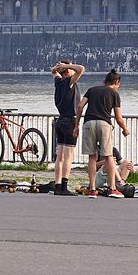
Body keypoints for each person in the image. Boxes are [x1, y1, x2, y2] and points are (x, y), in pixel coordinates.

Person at [81, 69, 127, 198]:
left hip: (88, 123)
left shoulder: (92, 90)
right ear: (117, 82)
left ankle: (92, 189)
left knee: (91, 157)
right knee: (108, 157)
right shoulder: (114, 94)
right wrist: (125, 129)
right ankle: (112, 188)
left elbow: (80, 106)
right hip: (104, 124)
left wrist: (76, 125)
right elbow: (118, 117)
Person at [49, 59, 85, 195]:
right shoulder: (68, 82)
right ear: (67, 71)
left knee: (60, 157)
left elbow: (53, 72)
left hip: (60, 121)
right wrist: (65, 66)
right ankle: (64, 186)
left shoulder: (58, 82)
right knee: (68, 156)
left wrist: (57, 68)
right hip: (70, 121)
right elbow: (81, 68)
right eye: (70, 68)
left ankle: (57, 185)